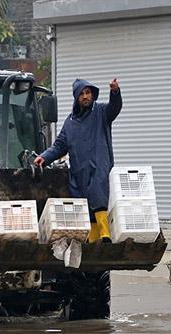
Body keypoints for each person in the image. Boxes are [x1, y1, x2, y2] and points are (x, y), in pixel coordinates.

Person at [34, 78, 122, 242]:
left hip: (99, 166)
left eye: (88, 93)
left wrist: (115, 92)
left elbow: (114, 108)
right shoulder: (70, 123)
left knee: (98, 195)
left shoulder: (101, 112)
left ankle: (105, 234)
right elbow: (59, 146)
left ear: (92, 95)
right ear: (76, 98)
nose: (85, 96)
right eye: (81, 94)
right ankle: (92, 241)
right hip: (79, 170)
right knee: (85, 205)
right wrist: (44, 157)